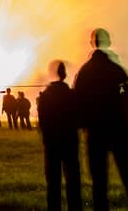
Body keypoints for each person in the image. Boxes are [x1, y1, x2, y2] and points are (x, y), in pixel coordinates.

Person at [76, 29, 128, 211]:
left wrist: (85, 127)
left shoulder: (84, 72)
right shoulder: (118, 70)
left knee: (99, 184)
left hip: (95, 133)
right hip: (119, 130)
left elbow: (78, 105)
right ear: (108, 42)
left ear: (92, 43)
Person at [39, 59, 82, 211]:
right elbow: (79, 119)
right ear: (64, 74)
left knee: (53, 183)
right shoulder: (71, 95)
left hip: (51, 143)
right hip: (70, 142)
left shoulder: (45, 96)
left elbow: (42, 122)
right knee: (73, 182)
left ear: (51, 74)